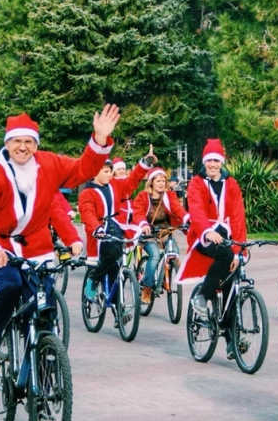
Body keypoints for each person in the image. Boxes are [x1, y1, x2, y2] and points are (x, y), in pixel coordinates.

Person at [0, 105, 120, 367]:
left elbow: (82, 169)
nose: (23, 147)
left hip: (37, 246)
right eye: (17, 141)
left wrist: (98, 140)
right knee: (10, 285)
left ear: (36, 145)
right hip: (1, 244)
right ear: (8, 142)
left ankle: (45, 358)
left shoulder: (48, 163)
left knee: (44, 304)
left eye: (29, 141)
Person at [176, 139, 248, 359]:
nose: (213, 164)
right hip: (203, 237)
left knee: (232, 281)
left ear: (221, 162)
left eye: (217, 160)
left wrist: (239, 250)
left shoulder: (231, 184)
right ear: (204, 162)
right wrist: (207, 231)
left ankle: (230, 338)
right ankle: (203, 296)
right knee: (224, 256)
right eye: (210, 160)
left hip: (226, 237)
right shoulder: (196, 183)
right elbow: (196, 210)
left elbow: (237, 217)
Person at [79, 146, 154, 310]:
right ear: (94, 172)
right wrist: (96, 228)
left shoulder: (114, 185)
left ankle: (117, 308)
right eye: (105, 171)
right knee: (112, 254)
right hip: (98, 232)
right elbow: (87, 213)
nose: (109, 174)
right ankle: (94, 280)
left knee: (117, 264)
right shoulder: (87, 193)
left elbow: (132, 181)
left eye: (109, 171)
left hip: (114, 227)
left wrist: (144, 164)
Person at [133, 167, 191, 304]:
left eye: (163, 180)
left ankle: (166, 277)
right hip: (148, 233)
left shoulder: (169, 195)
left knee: (174, 252)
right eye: (158, 180)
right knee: (155, 255)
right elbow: (138, 213)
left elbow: (177, 208)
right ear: (151, 182)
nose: (161, 183)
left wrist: (187, 219)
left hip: (165, 231)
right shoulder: (142, 196)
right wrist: (143, 224)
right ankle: (147, 288)